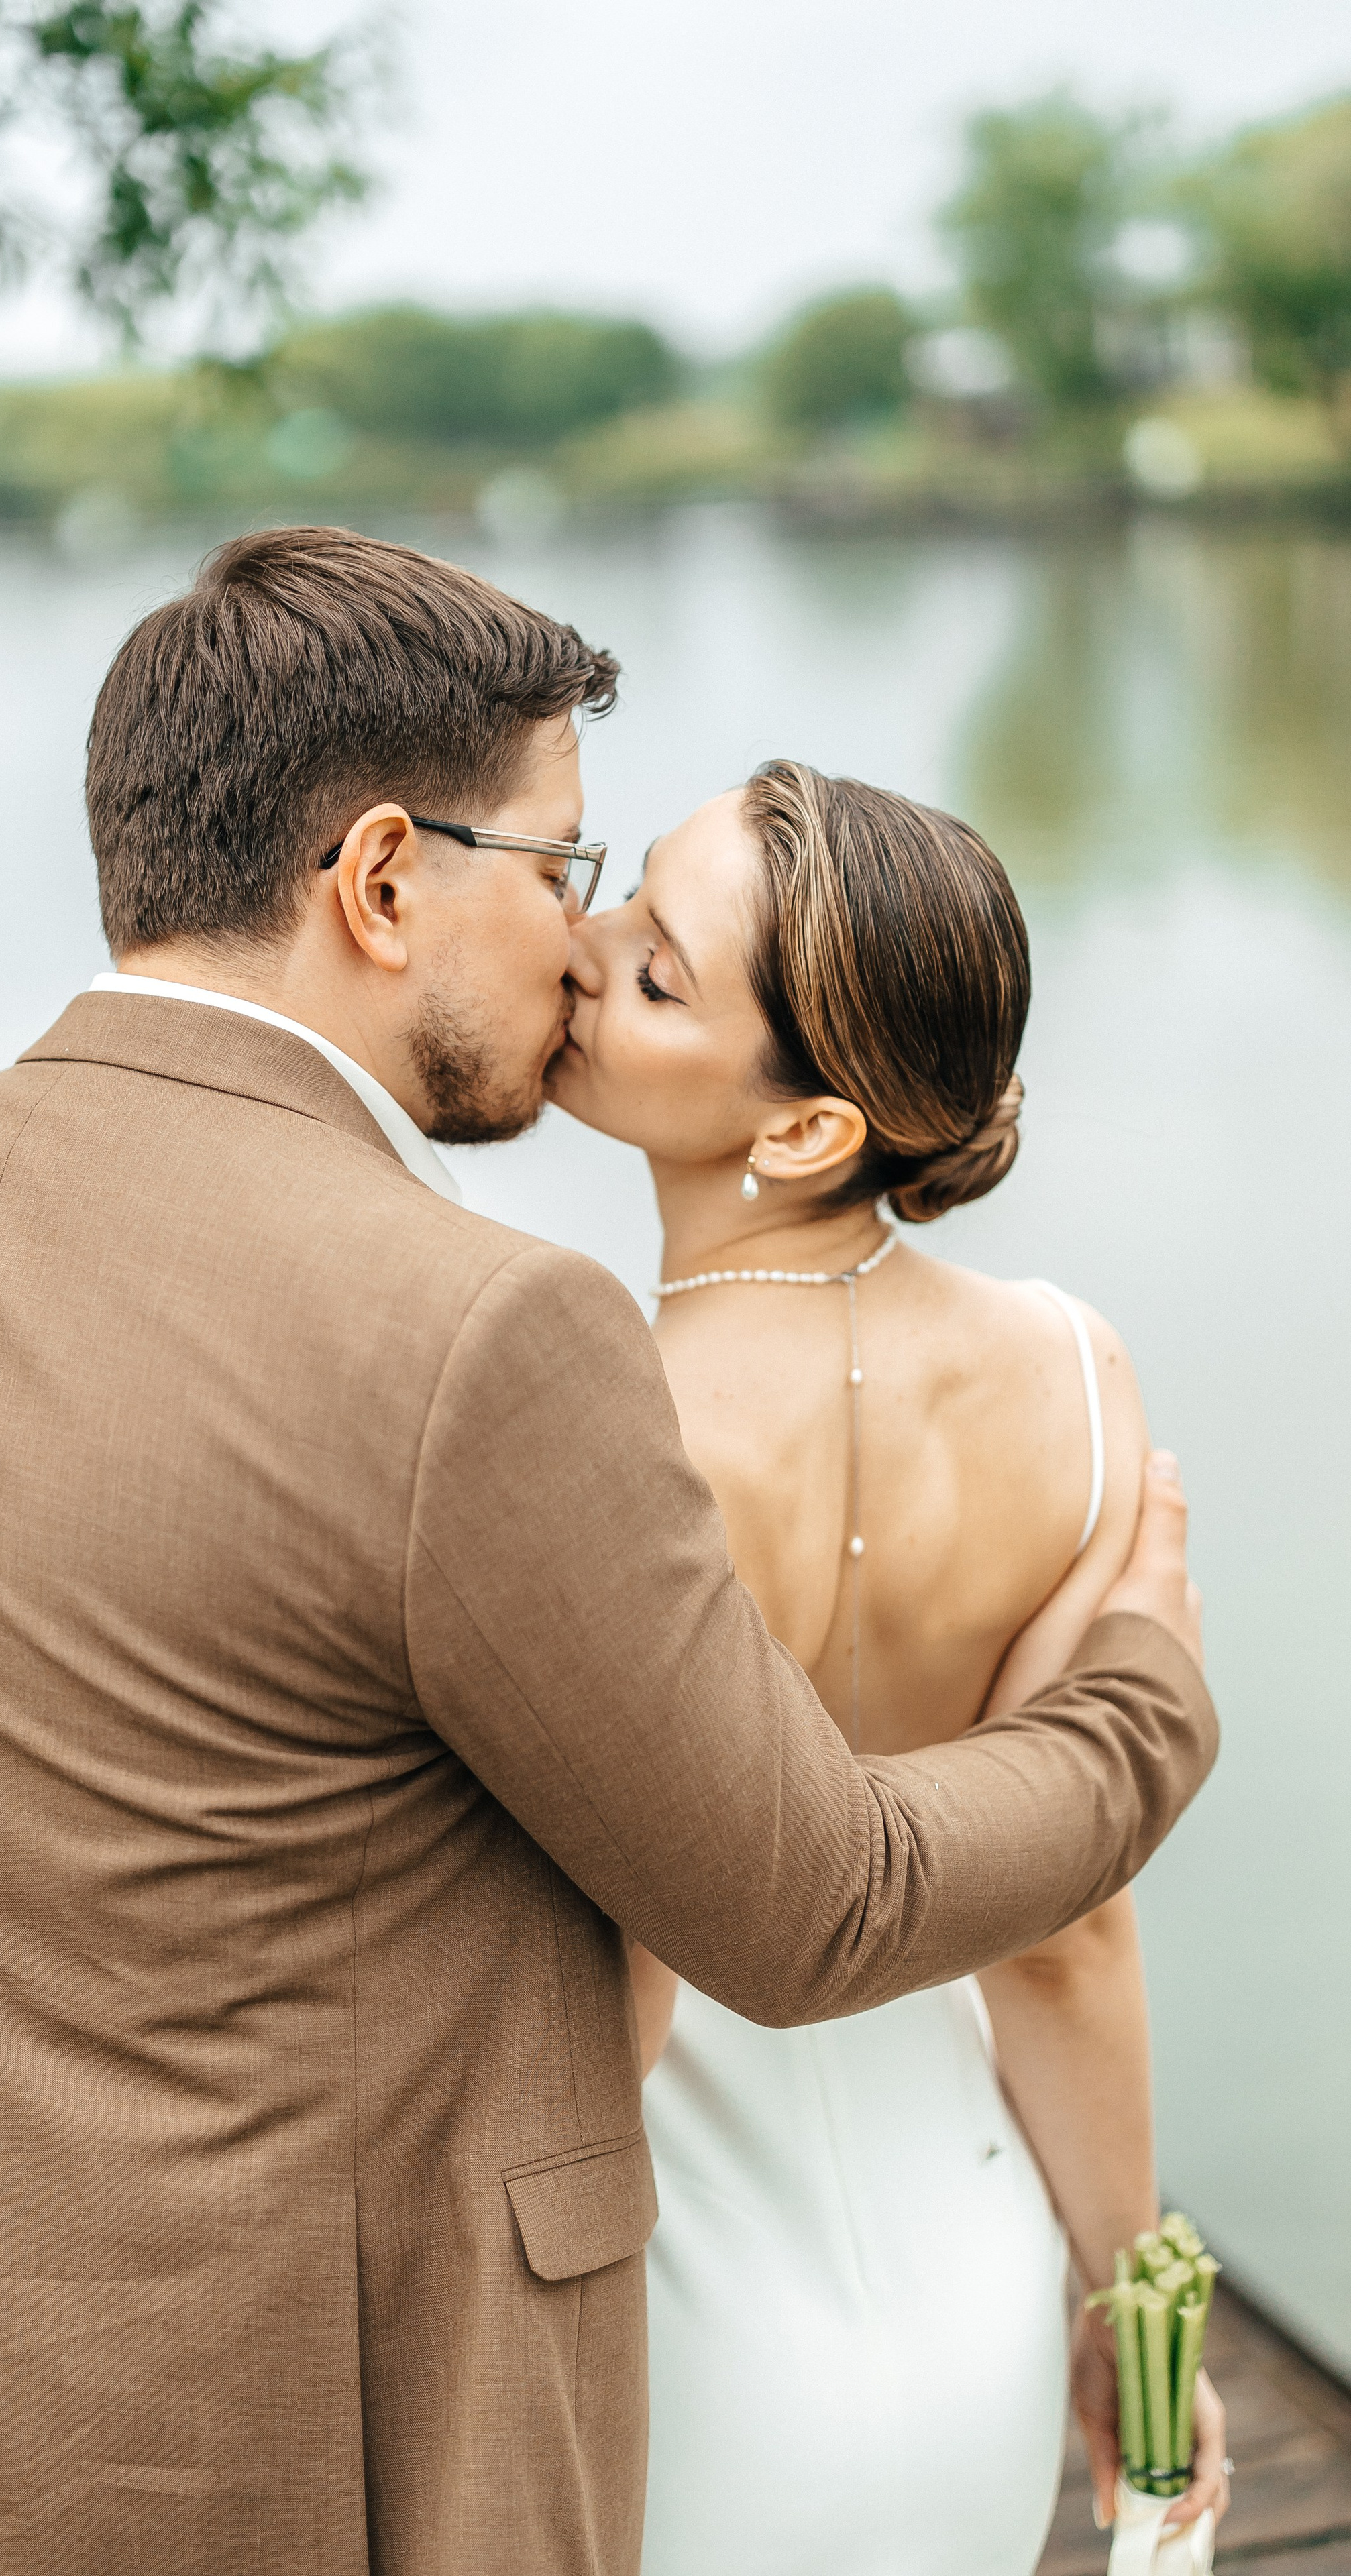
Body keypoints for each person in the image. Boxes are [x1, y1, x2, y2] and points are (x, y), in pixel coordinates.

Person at [0, 530, 1213, 2576]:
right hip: (273, 2441)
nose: (579, 948)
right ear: (384, 880)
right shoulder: (485, 1331)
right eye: (564, 872)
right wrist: (1140, 1710)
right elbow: (807, 1902)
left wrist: (66, 1913)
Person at [548, 759, 1230, 2574]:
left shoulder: (603, 1430)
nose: (577, 942)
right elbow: (1068, 1927)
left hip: (680, 2334)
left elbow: (605, 1997)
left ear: (799, 1133)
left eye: (655, 970)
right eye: (626, 894)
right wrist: (1125, 2301)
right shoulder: (1079, 1379)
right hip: (979, 2295)